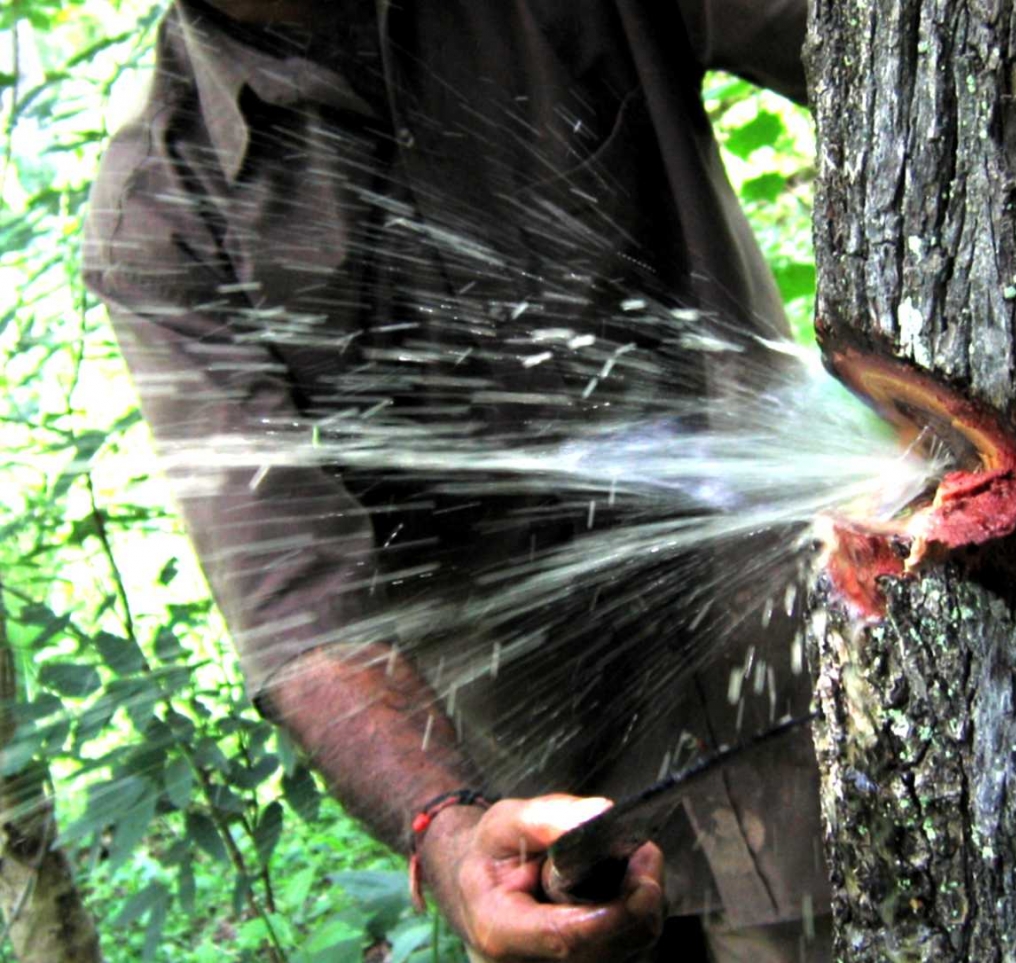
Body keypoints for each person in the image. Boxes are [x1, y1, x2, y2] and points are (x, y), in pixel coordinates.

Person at [84, 1, 831, 959]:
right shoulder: (165, 207)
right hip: (559, 822)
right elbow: (300, 608)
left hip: (819, 692)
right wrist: (448, 834)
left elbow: (887, 44)